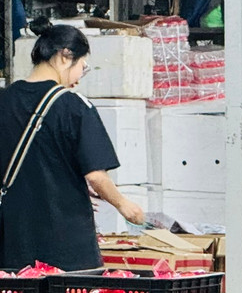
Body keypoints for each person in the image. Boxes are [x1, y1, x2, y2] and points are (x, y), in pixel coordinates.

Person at [0, 19, 144, 270]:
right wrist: (125, 206)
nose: (79, 77)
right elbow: (97, 177)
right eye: (82, 67)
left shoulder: (5, 100)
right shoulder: (75, 107)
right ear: (65, 56)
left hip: (12, 238)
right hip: (63, 240)